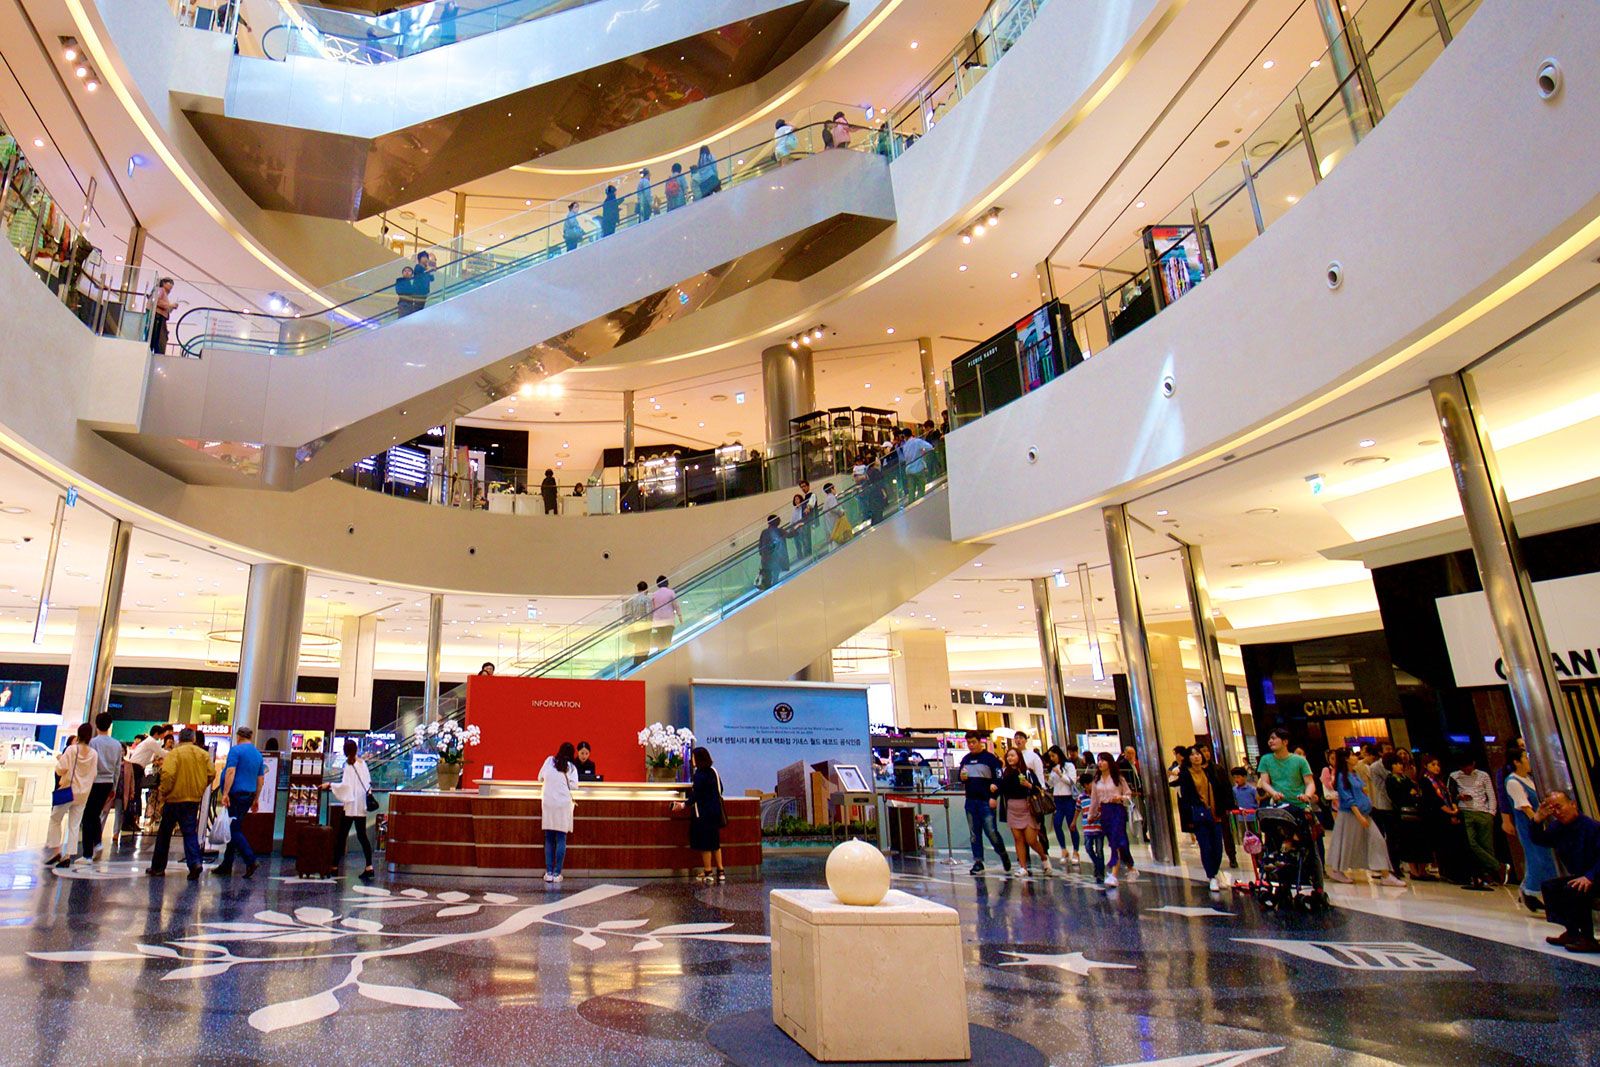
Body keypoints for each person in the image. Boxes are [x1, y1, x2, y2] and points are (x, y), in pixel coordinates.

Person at [1529, 790, 1600, 953]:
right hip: (1581, 875)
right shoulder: (1558, 828)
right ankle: (1572, 931)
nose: (1557, 812)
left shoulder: (1592, 827)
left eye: (1560, 807)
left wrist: (1589, 877)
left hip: (1595, 875)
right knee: (1550, 887)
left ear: (1573, 804)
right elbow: (1540, 840)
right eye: (1553, 809)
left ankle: (1588, 938)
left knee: (1575, 888)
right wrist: (1537, 820)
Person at [1325, 747, 1406, 887]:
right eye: (1352, 755)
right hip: (1351, 816)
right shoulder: (1341, 776)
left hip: (1364, 814)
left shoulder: (1354, 773)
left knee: (1378, 841)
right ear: (1346, 759)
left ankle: (1385, 874)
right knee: (1346, 842)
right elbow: (1347, 798)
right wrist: (1359, 816)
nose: (1356, 757)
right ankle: (1337, 869)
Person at [147, 728, 211, 880]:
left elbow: (168, 775)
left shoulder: (174, 754)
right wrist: (200, 787)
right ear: (194, 739)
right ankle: (195, 863)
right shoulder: (203, 754)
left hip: (174, 799)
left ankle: (158, 867)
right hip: (192, 800)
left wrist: (164, 791)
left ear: (179, 739)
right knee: (189, 832)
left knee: (164, 833)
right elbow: (211, 773)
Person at [1504, 748, 1558, 912]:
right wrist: (1538, 821)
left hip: (1539, 825)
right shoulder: (1513, 782)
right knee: (1537, 859)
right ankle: (1531, 892)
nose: (1529, 761)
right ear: (1516, 762)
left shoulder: (1529, 779)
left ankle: (1533, 891)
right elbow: (1526, 808)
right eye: (1525, 758)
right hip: (1530, 827)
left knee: (1543, 858)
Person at [213, 725, 266, 879]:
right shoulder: (257, 754)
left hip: (236, 795)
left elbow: (230, 771)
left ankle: (251, 859)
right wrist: (256, 798)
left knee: (233, 829)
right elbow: (260, 779)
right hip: (249, 796)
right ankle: (227, 864)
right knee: (234, 827)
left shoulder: (236, 751)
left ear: (238, 736)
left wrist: (226, 793)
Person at [1175, 746, 1231, 891]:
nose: (1196, 757)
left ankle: (1216, 871)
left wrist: (1226, 807)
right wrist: (1189, 819)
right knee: (1206, 846)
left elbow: (1222, 789)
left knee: (1218, 846)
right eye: (1192, 755)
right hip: (1199, 815)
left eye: (1198, 754)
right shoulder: (1186, 774)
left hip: (1215, 813)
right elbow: (1185, 798)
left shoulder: (1210, 771)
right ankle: (1211, 876)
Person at [957, 731, 1009, 875]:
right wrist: (962, 777)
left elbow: (999, 778)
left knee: (991, 832)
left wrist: (994, 795)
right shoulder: (966, 759)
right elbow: (960, 777)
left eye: (973, 742)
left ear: (980, 742)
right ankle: (978, 861)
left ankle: (1002, 853)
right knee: (974, 833)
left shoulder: (990, 759)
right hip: (971, 801)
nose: (971, 745)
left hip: (986, 801)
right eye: (969, 743)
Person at [321, 738, 375, 879]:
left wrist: (330, 785)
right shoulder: (363, 764)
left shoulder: (348, 766)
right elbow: (369, 783)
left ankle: (334, 866)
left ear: (345, 751)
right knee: (362, 836)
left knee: (341, 836)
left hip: (351, 806)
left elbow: (346, 787)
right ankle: (369, 866)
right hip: (361, 805)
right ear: (356, 749)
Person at [45, 726, 97, 869]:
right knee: (74, 825)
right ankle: (68, 856)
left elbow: (61, 768)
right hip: (83, 793)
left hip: (68, 790)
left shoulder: (72, 750)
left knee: (55, 818)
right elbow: (93, 774)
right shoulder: (93, 753)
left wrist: (60, 760)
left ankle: (56, 850)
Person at [1450, 754, 1500, 890]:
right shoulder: (1455, 776)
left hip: (1483, 812)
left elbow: (1491, 794)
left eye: (1469, 766)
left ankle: (1490, 874)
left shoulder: (1483, 775)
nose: (1467, 769)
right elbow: (1450, 795)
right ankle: (1497, 866)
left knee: (1486, 844)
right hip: (1465, 811)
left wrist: (1491, 812)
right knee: (1471, 843)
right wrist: (1458, 797)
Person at [999, 747, 1050, 877]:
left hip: (1027, 808)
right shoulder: (1005, 773)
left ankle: (1044, 857)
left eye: (1013, 755)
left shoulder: (1028, 772)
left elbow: (1038, 790)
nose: (1010, 758)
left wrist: (1029, 785)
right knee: (1018, 839)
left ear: (1019, 757)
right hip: (1012, 808)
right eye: (1008, 756)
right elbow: (1002, 789)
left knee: (1031, 839)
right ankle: (1023, 867)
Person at [80, 711, 122, 864]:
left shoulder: (93, 743)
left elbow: (88, 764)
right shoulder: (117, 745)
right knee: (95, 813)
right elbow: (118, 768)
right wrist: (114, 787)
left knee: (87, 816)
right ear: (110, 725)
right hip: (108, 782)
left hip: (94, 782)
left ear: (96, 725)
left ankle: (87, 854)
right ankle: (97, 843)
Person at [1384, 752, 1433, 881]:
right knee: (1409, 842)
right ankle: (1414, 871)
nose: (1399, 766)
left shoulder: (1406, 779)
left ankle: (1422, 870)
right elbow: (1397, 797)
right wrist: (1409, 794)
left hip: (1416, 814)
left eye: (1401, 763)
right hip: (1403, 815)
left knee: (1421, 841)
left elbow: (1414, 792)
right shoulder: (1391, 780)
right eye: (1396, 764)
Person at [1088, 752, 1134, 885]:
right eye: (1099, 760)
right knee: (1119, 842)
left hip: (1117, 811)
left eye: (1103, 760)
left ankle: (1114, 874)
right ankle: (1131, 867)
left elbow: (1128, 794)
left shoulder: (1118, 778)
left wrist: (1121, 798)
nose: (1100, 763)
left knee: (1116, 841)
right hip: (1105, 812)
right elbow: (1094, 799)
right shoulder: (1096, 780)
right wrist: (1091, 815)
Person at [538, 742, 580, 884]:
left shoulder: (549, 761)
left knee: (549, 838)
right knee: (561, 838)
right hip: (563, 804)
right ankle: (557, 873)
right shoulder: (571, 767)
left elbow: (540, 777)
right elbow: (575, 786)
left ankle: (548, 872)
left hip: (548, 803)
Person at [1418, 753, 1463, 883]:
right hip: (1436, 817)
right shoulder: (1425, 781)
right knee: (1443, 845)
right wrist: (1450, 812)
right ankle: (1447, 872)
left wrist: (1453, 808)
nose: (1436, 767)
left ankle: (1453, 872)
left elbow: (1447, 797)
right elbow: (1434, 800)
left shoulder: (1440, 781)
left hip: (1446, 814)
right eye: (1433, 765)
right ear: (1426, 766)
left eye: (1438, 765)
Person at [687, 746, 725, 883]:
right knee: (715, 842)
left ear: (698, 759)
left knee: (705, 844)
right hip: (715, 812)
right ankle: (721, 871)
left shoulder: (698, 775)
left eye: (692, 757)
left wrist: (684, 804)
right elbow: (721, 788)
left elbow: (696, 796)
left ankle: (708, 871)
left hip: (702, 814)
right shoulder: (713, 771)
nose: (691, 760)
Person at [1256, 728, 1316, 809]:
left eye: (1273, 738)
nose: (1270, 741)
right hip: (1279, 806)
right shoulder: (1265, 759)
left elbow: (1310, 783)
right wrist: (1274, 793)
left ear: (1285, 742)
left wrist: (1307, 796)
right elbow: (1264, 782)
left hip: (1300, 806)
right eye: (1269, 739)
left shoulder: (1300, 760)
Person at [1011, 731, 1048, 857]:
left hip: (1033, 796)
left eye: (1020, 738)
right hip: (1019, 798)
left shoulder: (1033, 756)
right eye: (1016, 738)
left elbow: (1040, 776)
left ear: (1025, 740)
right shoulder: (1013, 756)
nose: (1018, 740)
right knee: (1020, 830)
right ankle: (1023, 856)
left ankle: (1044, 853)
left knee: (1039, 828)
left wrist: (1039, 791)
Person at [1045, 745, 1081, 864]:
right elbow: (1051, 784)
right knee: (1057, 824)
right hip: (1058, 799)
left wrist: (1060, 774)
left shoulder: (1069, 766)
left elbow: (1072, 781)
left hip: (1068, 798)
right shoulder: (1053, 768)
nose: (1052, 758)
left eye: (1053, 756)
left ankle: (1076, 850)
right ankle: (1063, 849)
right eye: (1050, 756)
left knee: (1072, 825)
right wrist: (1047, 778)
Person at [650, 574, 682, 652]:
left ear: (658, 584)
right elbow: (676, 605)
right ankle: (665, 655)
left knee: (660, 641)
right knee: (667, 641)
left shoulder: (654, 594)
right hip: (669, 620)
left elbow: (652, 608)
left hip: (658, 621)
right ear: (667, 582)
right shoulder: (671, 592)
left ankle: (660, 654)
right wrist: (680, 616)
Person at [625, 580, 653, 666]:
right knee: (645, 645)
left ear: (638, 589)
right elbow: (649, 613)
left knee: (637, 645)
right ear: (646, 589)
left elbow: (629, 614)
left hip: (635, 626)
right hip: (644, 626)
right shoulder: (647, 599)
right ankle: (643, 663)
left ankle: (636, 663)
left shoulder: (633, 599)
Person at [757, 514, 788, 590]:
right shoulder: (779, 531)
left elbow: (760, 545)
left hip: (765, 560)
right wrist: (797, 527)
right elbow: (790, 534)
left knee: (767, 576)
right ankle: (773, 589)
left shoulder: (764, 532)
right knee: (775, 576)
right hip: (775, 558)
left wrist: (762, 554)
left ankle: (768, 589)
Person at [149, 278, 177, 354]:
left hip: (161, 317)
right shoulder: (160, 290)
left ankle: (158, 350)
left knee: (162, 337)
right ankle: (156, 351)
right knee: (159, 337)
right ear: (164, 283)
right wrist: (169, 305)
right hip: (158, 317)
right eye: (169, 283)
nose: (171, 285)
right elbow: (155, 301)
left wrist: (171, 307)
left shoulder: (163, 293)